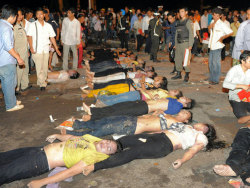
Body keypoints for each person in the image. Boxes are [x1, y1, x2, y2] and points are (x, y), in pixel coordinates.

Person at [82, 123, 225, 176]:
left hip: (163, 146)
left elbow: (193, 151)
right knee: (125, 140)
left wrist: (181, 160)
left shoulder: (202, 138)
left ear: (205, 131)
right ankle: (99, 152)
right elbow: (166, 129)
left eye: (205, 127)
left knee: (133, 152)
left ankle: (95, 166)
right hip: (157, 137)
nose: (200, 125)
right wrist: (146, 135)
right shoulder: (187, 126)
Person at [0, 134, 118, 187]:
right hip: (38, 150)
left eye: (109, 149)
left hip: (40, 162)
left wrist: (42, 182)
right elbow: (72, 138)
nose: (106, 145)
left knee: (5, 172)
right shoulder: (92, 139)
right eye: (108, 142)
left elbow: (70, 172)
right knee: (4, 157)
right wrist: (57, 135)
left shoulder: (93, 156)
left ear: (107, 155)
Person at [65, 110, 192, 137]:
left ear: (186, 120)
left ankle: (75, 135)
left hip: (135, 126)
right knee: (105, 122)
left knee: (104, 129)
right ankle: (79, 125)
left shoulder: (178, 124)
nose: (183, 112)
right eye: (185, 111)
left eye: (186, 114)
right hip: (133, 119)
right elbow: (151, 116)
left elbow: (165, 132)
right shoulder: (169, 115)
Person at [27, 8, 61, 91]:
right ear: (36, 15)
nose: (40, 16)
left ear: (44, 15)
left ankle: (42, 80)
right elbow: (29, 36)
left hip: (46, 49)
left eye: (41, 14)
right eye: (38, 14)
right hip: (36, 49)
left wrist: (56, 48)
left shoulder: (48, 25)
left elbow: (52, 37)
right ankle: (42, 83)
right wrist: (31, 47)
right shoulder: (32, 25)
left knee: (45, 67)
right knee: (39, 67)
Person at [81, 96, 193, 121]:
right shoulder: (174, 100)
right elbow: (161, 101)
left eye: (186, 99)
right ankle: (92, 110)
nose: (184, 97)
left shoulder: (177, 107)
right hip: (142, 103)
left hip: (144, 108)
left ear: (185, 104)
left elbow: (163, 113)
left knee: (118, 112)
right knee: (118, 106)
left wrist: (152, 113)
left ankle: (93, 116)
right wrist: (156, 99)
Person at [0, 4, 25, 111]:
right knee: (9, 83)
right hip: (6, 60)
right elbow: (8, 47)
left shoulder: (1, 24)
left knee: (8, 83)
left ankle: (12, 100)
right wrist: (18, 58)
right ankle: (11, 105)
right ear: (12, 16)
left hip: (2, 60)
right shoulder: (6, 28)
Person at [223, 51, 250, 124]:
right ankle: (234, 105)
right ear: (242, 61)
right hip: (236, 96)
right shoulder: (234, 70)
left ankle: (239, 107)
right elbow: (225, 84)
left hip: (247, 95)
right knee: (242, 117)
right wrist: (241, 86)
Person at [207, 8, 233, 85]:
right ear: (213, 15)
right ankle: (211, 78)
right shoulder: (212, 21)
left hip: (217, 46)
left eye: (218, 16)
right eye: (214, 15)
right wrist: (209, 27)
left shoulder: (222, 24)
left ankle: (215, 80)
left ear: (220, 16)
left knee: (216, 64)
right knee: (210, 63)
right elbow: (209, 31)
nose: (216, 17)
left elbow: (231, 32)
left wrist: (222, 38)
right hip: (211, 46)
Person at [171, 7, 194, 82]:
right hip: (179, 43)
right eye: (180, 12)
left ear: (186, 12)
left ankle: (187, 75)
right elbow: (176, 34)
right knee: (177, 59)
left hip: (186, 43)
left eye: (182, 11)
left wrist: (190, 44)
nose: (181, 13)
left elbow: (191, 33)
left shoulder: (188, 21)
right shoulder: (178, 22)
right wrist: (175, 44)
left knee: (186, 60)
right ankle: (178, 74)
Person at [95, 89, 182, 107]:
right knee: (117, 96)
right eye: (175, 90)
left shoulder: (166, 96)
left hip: (141, 96)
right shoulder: (165, 91)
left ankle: (101, 104)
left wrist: (145, 91)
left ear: (174, 96)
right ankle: (101, 98)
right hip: (139, 92)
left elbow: (154, 99)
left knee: (119, 99)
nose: (173, 90)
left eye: (175, 92)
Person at [13, 8, 31, 93]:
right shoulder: (13, 27)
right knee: (19, 71)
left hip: (24, 51)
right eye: (19, 15)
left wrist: (27, 50)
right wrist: (16, 54)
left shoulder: (21, 25)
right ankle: (17, 87)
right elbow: (12, 42)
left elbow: (25, 39)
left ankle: (24, 85)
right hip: (18, 52)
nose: (21, 16)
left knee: (25, 69)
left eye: (22, 15)